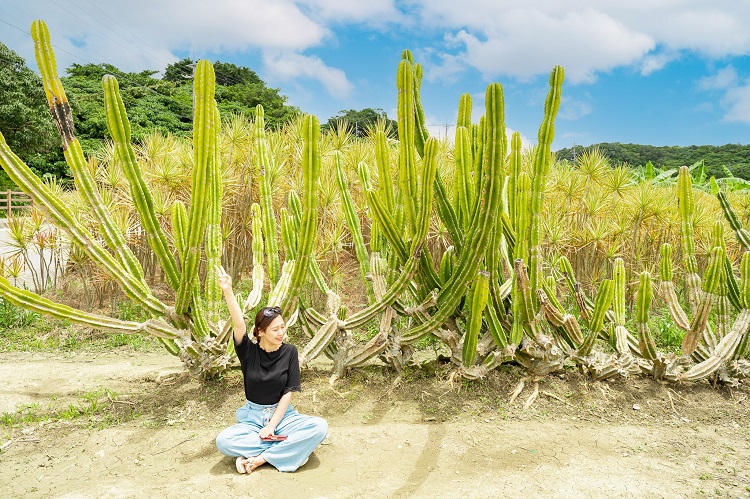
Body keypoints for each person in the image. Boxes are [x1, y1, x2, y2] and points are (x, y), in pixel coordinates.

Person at [215, 265, 328, 474]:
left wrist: (272, 426)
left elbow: (289, 391)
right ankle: (290, 450)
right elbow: (239, 323)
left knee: (320, 427)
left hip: (283, 416)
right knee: (223, 441)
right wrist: (227, 291)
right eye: (275, 329)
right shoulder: (248, 351)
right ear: (260, 332)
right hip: (252, 418)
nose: (281, 333)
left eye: (283, 327)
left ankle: (260, 459)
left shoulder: (290, 352)